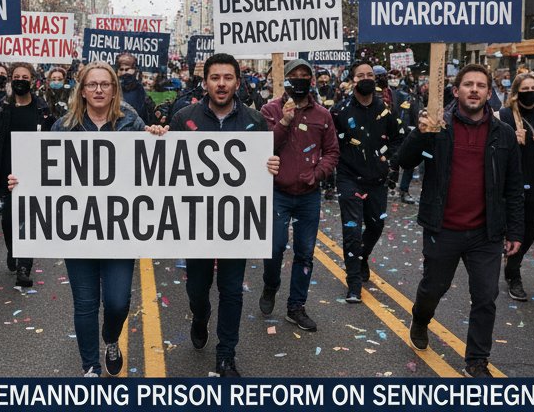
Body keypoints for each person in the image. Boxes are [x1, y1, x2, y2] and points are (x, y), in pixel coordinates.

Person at [11, 60, 164, 377]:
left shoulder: (131, 123)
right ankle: (90, 368)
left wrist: (158, 137)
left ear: (114, 89)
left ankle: (111, 338)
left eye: (105, 84)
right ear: (81, 90)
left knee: (118, 302)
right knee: (85, 303)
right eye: (92, 84)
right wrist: (22, 180)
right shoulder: (63, 127)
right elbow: (44, 172)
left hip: (120, 230)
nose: (98, 90)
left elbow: (153, 165)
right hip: (77, 228)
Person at [398, 63, 525, 377]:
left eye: (481, 85)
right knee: (433, 288)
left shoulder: (503, 134)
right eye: (468, 84)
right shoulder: (438, 128)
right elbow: (403, 161)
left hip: (486, 233)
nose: (474, 90)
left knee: (486, 296)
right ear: (455, 91)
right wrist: (420, 133)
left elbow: (513, 186)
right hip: (443, 229)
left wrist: (515, 230)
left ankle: (476, 360)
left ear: (488, 93)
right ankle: (421, 318)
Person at [169, 52, 280, 377]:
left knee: (231, 290)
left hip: (237, 223)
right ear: (205, 83)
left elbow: (263, 168)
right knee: (197, 291)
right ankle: (200, 317)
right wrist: (158, 141)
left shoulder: (254, 121)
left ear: (237, 81)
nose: (221, 83)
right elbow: (163, 172)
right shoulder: (183, 118)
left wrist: (271, 165)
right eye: (215, 78)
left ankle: (226, 355)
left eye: (227, 78)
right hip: (197, 223)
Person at [258, 59, 339, 331]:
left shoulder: (322, 115)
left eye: (306, 75)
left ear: (312, 81)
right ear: (286, 80)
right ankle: (270, 285)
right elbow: (262, 147)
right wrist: (284, 121)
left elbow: (332, 152)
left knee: (305, 253)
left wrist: (317, 173)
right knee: (274, 247)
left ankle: (296, 306)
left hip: (308, 196)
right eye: (295, 75)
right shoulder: (269, 110)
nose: (301, 79)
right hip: (277, 192)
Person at [331, 61, 404, 303]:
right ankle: (353, 284)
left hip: (377, 180)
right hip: (349, 179)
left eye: (369, 74)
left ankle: (362, 258)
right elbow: (331, 143)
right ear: (352, 80)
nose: (365, 78)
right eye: (360, 75)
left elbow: (397, 140)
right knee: (352, 231)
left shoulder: (385, 111)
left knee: (375, 226)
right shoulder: (339, 112)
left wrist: (389, 162)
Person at [0, 63, 48, 288]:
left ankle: (24, 266)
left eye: (25, 76)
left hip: (34, 175)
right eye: (17, 76)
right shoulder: (1, 108)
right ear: (11, 80)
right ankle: (13, 250)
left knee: (28, 222)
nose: (21, 80)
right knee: (8, 221)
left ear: (32, 80)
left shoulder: (42, 109)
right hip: (8, 173)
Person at [497, 73, 534, 301]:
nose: (530, 91)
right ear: (516, 92)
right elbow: (494, 148)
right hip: (511, 183)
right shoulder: (504, 115)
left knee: (528, 231)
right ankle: (514, 276)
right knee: (511, 227)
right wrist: (511, 138)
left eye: (533, 87)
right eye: (525, 88)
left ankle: (512, 263)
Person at [115, 53, 155, 124]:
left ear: (135, 70)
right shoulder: (112, 89)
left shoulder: (140, 90)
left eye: (127, 69)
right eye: (121, 69)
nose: (124, 72)